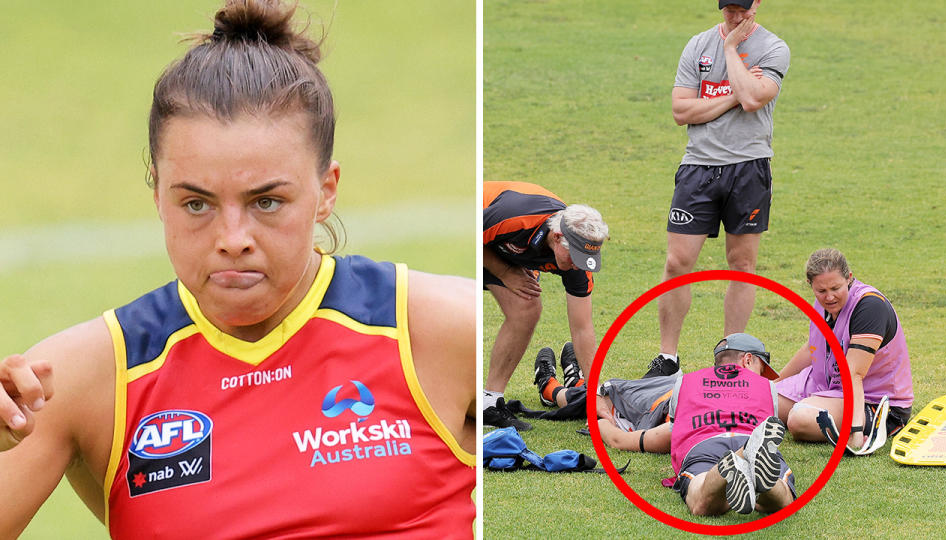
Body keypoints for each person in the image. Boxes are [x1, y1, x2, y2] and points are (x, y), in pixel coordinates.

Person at [0, 2, 475, 538]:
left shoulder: (437, 330)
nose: (232, 240)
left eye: (267, 202)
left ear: (326, 190)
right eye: (196, 204)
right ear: (158, 192)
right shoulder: (75, 381)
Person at [652, 0, 790, 377]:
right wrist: (732, 95)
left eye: (742, 9)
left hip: (749, 168)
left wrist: (731, 50)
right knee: (677, 263)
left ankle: (732, 359)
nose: (735, 17)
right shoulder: (697, 46)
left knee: (742, 265)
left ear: (757, 5)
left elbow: (755, 98)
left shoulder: (775, 48)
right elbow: (681, 112)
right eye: (728, 9)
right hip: (698, 167)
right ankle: (668, 358)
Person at [596, 334, 795, 516]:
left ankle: (732, 464)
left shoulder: (686, 383)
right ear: (748, 360)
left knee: (702, 502)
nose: (761, 377)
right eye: (761, 369)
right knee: (785, 501)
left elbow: (662, 434)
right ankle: (760, 474)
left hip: (703, 445)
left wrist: (601, 423)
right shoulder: (767, 388)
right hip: (752, 437)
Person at [482, 180, 609, 430]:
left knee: (526, 306)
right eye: (575, 257)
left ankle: (489, 403)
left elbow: (583, 328)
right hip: (477, 237)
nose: (578, 265)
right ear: (558, 237)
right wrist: (506, 272)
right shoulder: (515, 218)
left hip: (505, 251)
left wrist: (595, 393)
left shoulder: (578, 264)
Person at [776, 248, 914, 449]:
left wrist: (855, 431)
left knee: (799, 419)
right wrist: (775, 381)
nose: (829, 297)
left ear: (848, 278)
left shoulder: (870, 307)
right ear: (811, 285)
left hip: (875, 403)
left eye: (835, 288)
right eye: (821, 291)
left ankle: (858, 423)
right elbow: (812, 348)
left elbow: (854, 374)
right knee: (761, 401)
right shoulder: (822, 303)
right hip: (829, 388)